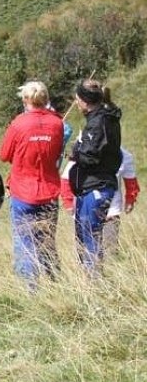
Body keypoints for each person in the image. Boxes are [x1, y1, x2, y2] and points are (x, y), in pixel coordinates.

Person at [0, 81, 64, 290]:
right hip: (49, 189)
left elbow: (4, 155)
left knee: (24, 240)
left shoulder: (19, 123)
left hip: (23, 191)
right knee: (47, 240)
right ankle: (54, 284)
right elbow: (57, 152)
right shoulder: (57, 123)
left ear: (26, 100)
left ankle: (30, 288)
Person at [68, 79, 122, 275]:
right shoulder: (104, 119)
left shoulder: (99, 122)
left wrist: (74, 152)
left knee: (91, 237)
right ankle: (89, 279)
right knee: (84, 238)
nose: (76, 103)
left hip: (96, 186)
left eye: (77, 99)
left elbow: (90, 157)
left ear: (85, 100)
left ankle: (94, 282)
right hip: (91, 186)